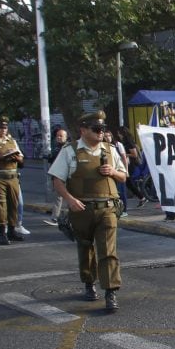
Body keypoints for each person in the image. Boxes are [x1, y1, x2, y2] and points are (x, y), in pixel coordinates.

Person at [48, 111, 128, 312]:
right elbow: (57, 180)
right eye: (96, 129)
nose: (101, 132)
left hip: (107, 209)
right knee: (85, 248)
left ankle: (110, 292)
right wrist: (70, 200)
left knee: (108, 251)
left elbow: (123, 177)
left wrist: (113, 172)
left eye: (102, 129)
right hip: (81, 209)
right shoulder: (70, 151)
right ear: (83, 130)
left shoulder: (110, 150)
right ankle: (89, 283)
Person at [0, 116, 25, 245]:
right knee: (1, 205)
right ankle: (2, 233)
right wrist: (5, 155)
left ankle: (12, 231)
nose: (3, 130)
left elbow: (22, 160)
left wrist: (16, 157)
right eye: (1, 127)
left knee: (14, 204)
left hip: (13, 177)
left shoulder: (12, 141)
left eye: (5, 127)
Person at [115, 126, 148, 208]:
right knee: (129, 183)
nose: (118, 135)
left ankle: (142, 197)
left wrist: (124, 154)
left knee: (128, 182)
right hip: (128, 163)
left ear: (123, 133)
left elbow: (134, 154)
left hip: (131, 164)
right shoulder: (123, 142)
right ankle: (142, 197)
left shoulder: (129, 142)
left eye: (119, 133)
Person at [44, 128, 70, 225]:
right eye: (57, 136)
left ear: (66, 137)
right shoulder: (57, 147)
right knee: (59, 197)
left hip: (65, 176)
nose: (58, 138)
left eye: (61, 136)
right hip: (57, 175)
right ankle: (56, 218)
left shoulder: (67, 148)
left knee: (66, 197)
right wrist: (49, 157)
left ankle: (59, 218)